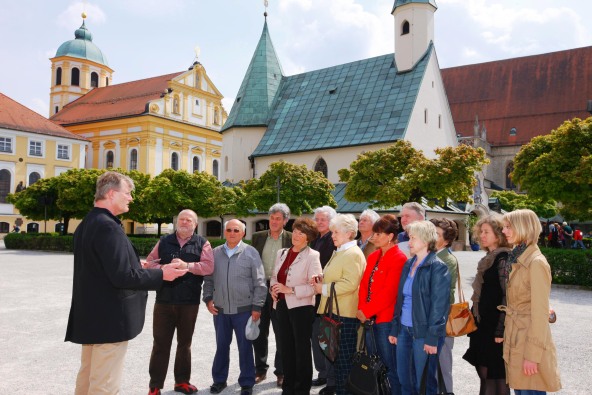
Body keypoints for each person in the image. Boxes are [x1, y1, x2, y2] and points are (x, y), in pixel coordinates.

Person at [65, 171, 187, 395]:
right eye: (128, 193)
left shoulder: (88, 222)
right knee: (104, 386)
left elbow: (100, 267)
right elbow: (122, 277)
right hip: (109, 320)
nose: (131, 198)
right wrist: (163, 274)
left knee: (87, 379)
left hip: (93, 316)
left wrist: (135, 263)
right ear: (111, 194)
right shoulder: (108, 227)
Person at [144, 209, 214, 395]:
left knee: (185, 344)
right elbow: (149, 263)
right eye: (182, 219)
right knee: (160, 344)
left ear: (195, 224)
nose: (184, 222)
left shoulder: (202, 243)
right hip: (164, 301)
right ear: (177, 221)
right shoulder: (164, 241)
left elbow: (208, 267)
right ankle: (155, 385)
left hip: (189, 302)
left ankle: (182, 382)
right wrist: (163, 267)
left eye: (189, 220)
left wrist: (187, 266)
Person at [500, 209, 562, 394]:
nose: (504, 231)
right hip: (517, 339)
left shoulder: (536, 263)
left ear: (524, 227)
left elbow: (540, 313)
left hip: (529, 343)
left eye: (508, 227)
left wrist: (533, 356)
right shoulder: (517, 258)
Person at [203, 219, 267, 395]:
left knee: (245, 348)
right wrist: (208, 298)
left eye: (236, 230)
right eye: (229, 230)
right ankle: (219, 380)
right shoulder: (215, 253)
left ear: (243, 233)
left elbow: (260, 282)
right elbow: (208, 280)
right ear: (225, 232)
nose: (232, 233)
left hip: (244, 311)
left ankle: (247, 383)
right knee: (221, 346)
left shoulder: (251, 252)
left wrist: (257, 306)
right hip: (221, 311)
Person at [388, 220, 450, 395]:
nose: (409, 242)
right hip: (403, 330)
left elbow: (440, 306)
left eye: (413, 238)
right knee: (403, 378)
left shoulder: (438, 267)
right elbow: (400, 299)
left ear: (425, 240)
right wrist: (394, 328)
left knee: (423, 382)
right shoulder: (408, 264)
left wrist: (432, 337)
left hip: (424, 334)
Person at [312, 214, 366, 395]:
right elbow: (339, 278)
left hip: (345, 315)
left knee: (344, 362)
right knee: (337, 361)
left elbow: (350, 284)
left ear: (350, 233)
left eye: (336, 232)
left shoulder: (352, 253)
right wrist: (322, 279)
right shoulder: (341, 250)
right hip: (334, 312)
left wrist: (323, 288)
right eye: (333, 231)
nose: (332, 235)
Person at [270, 217, 322, 395]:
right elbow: (274, 276)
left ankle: (301, 390)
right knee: (285, 349)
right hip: (282, 306)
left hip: (302, 309)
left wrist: (289, 289)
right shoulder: (282, 253)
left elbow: (315, 288)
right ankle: (288, 387)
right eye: (296, 231)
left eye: (302, 233)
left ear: (308, 238)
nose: (297, 235)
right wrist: (273, 289)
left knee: (302, 351)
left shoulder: (313, 256)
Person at [357, 214, 407, 395]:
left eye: (378, 234)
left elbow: (389, 294)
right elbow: (364, 284)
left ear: (391, 236)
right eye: (374, 234)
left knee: (390, 364)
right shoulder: (374, 256)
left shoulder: (399, 258)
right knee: (374, 364)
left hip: (385, 320)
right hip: (369, 318)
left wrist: (367, 311)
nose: (374, 237)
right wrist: (362, 309)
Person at [462, 215, 511, 395]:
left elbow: (507, 296)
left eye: (486, 232)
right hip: (482, 326)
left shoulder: (503, 258)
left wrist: (500, 330)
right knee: (485, 375)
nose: (481, 236)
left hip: (495, 329)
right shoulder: (489, 257)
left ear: (498, 234)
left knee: (496, 378)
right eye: (480, 232)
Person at [251, 203, 292, 386]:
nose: (274, 221)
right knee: (260, 331)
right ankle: (260, 370)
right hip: (260, 288)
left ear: (285, 220)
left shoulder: (292, 239)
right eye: (272, 218)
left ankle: (281, 372)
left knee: (282, 331)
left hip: (281, 290)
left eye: (278, 218)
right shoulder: (257, 237)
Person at [430, 218, 459, 393]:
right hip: (432, 318)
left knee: (443, 363)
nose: (432, 236)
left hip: (442, 317)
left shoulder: (447, 259)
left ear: (447, 240)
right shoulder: (430, 255)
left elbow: (442, 294)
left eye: (437, 234)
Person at [310, 205, 337, 394]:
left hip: (325, 296)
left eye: (323, 219)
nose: (319, 222)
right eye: (317, 219)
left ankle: (329, 377)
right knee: (316, 337)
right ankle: (322, 373)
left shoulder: (332, 241)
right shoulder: (315, 239)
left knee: (326, 338)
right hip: (314, 295)